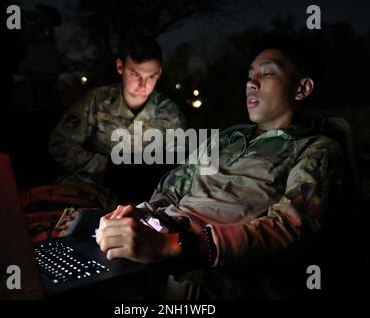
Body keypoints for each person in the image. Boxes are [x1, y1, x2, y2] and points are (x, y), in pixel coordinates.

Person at [68, 38, 346, 299]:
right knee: (69, 262)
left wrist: (179, 246)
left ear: (302, 88)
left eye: (268, 73)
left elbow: (290, 227)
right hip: (156, 241)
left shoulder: (315, 148)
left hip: (202, 267)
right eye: (250, 74)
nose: (251, 82)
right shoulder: (225, 140)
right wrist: (141, 214)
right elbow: (170, 191)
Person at [49, 35, 186, 188]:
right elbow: (60, 143)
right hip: (96, 189)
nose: (143, 84)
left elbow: (179, 164)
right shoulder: (96, 101)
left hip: (145, 194)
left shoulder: (170, 113)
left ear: (159, 72)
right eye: (135, 74)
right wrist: (103, 166)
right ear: (120, 67)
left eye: (151, 76)